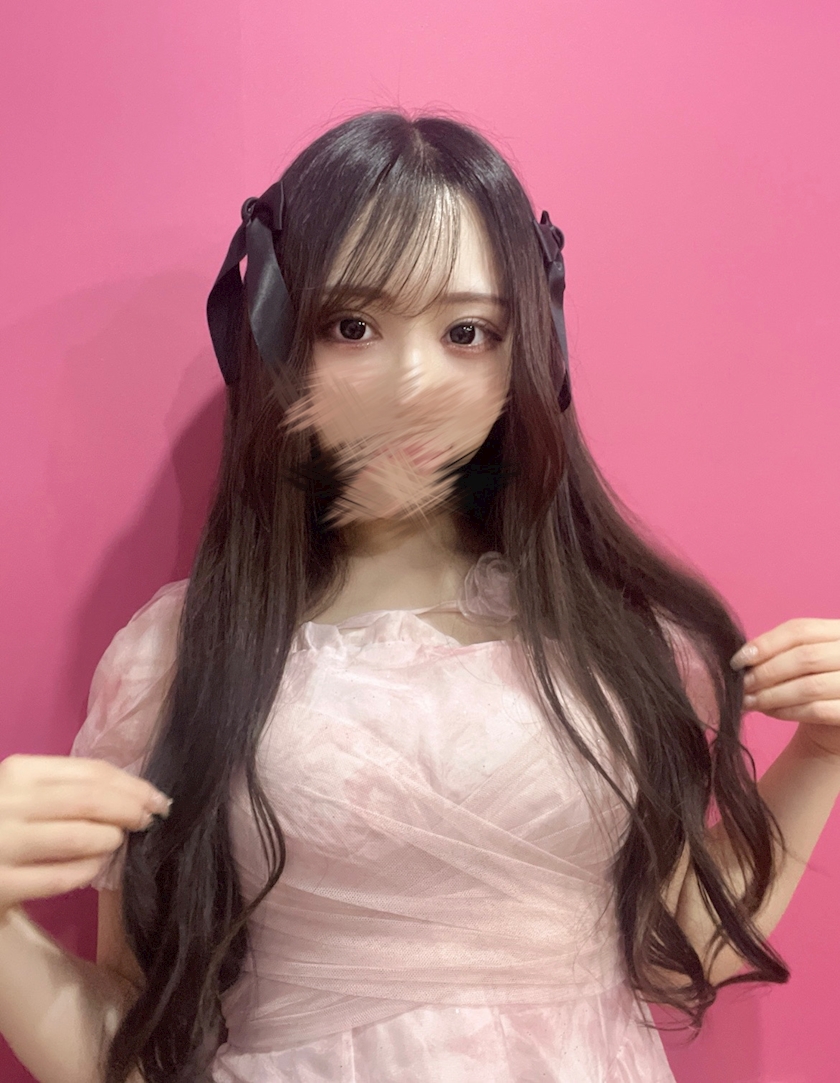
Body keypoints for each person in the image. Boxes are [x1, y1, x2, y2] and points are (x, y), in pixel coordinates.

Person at [2, 109, 840, 1083]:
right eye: (353, 326)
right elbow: (136, 1051)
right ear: (277, 338)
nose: (413, 383)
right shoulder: (180, 661)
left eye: (466, 332)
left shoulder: (617, 638)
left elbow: (681, 941)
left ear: (531, 350)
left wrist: (821, 754)